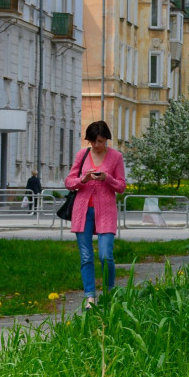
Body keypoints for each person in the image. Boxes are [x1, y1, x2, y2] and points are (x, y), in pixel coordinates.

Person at [64, 120, 126, 307]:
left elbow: (122, 186)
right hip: (83, 210)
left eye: (101, 141)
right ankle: (89, 296)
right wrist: (83, 179)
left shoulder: (116, 157)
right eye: (94, 141)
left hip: (106, 211)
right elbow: (69, 181)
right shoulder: (82, 155)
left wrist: (108, 179)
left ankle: (109, 292)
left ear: (107, 139)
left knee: (105, 255)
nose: (98, 145)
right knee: (86, 256)